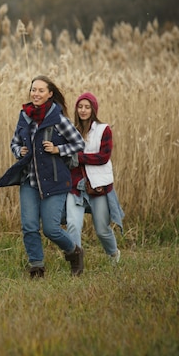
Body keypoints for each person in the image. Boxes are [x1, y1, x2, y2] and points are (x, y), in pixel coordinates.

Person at [0, 75, 85, 277]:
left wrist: (58, 149)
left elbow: (79, 143)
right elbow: (14, 143)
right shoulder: (25, 116)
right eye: (33, 90)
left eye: (40, 90)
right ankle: (36, 267)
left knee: (51, 229)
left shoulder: (58, 119)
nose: (35, 94)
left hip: (54, 180)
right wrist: (19, 152)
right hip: (29, 180)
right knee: (29, 226)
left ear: (50, 94)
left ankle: (74, 252)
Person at [65, 92, 124, 266]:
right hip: (75, 186)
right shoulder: (70, 129)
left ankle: (113, 255)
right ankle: (76, 263)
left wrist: (79, 157)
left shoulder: (103, 129)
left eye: (87, 107)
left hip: (98, 186)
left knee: (102, 229)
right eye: (80, 106)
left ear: (93, 109)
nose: (83, 110)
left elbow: (103, 157)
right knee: (73, 226)